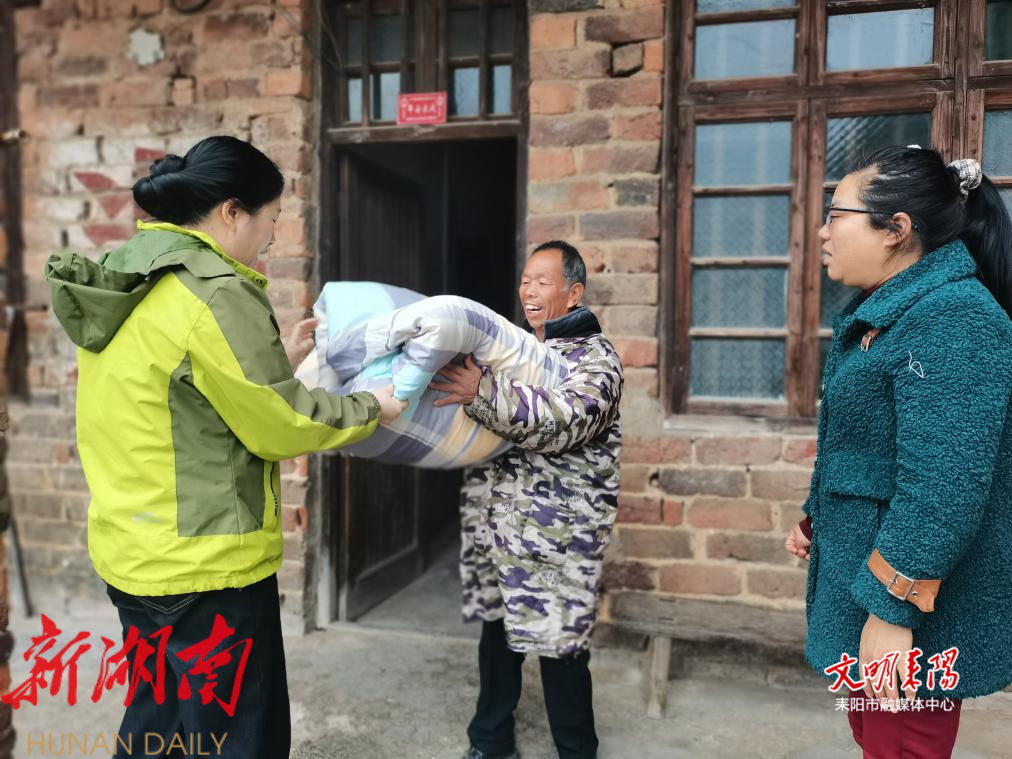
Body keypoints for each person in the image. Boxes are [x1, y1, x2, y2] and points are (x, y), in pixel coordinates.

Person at [45, 135, 405, 758]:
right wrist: (373, 407)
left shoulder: (129, 276)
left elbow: (177, 386)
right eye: (271, 219)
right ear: (232, 211)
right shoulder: (215, 290)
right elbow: (280, 424)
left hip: (133, 551)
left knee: (158, 728)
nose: (273, 237)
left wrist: (276, 357)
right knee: (238, 740)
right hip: (207, 568)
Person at [784, 146, 1012, 758]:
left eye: (837, 215)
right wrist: (817, 517)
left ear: (896, 229)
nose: (823, 231)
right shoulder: (893, 310)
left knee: (901, 747)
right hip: (867, 576)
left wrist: (892, 609)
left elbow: (945, 484)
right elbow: (867, 445)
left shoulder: (954, 317)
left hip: (907, 603)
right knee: (876, 739)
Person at [431, 241, 623, 759]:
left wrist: (483, 391)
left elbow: (565, 421)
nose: (528, 290)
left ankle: (576, 752)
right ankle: (490, 742)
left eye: (543, 281)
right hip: (501, 526)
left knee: (561, 649)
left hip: (558, 536)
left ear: (573, 293)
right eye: (525, 280)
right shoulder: (510, 351)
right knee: (497, 640)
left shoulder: (597, 359)